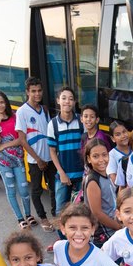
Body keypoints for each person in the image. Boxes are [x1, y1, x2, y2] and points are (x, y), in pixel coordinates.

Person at [0, 89, 35, 230]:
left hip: (18, 160)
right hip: (3, 162)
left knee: (24, 188)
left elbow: (21, 139)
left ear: (6, 103)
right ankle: (20, 218)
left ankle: (28, 214)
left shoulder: (15, 117)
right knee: (11, 189)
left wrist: (4, 146)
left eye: (2, 102)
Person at [15, 76, 55, 232]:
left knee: (53, 188)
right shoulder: (22, 112)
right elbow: (22, 140)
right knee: (37, 190)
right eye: (33, 91)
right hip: (35, 160)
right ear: (27, 92)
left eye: (39, 91)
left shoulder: (44, 109)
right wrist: (38, 159)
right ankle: (43, 217)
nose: (37, 94)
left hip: (50, 158)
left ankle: (54, 215)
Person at [49, 86, 85, 214]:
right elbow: (52, 151)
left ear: (74, 102)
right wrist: (61, 173)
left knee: (81, 209)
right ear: (58, 100)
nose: (67, 101)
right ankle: (61, 234)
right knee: (60, 210)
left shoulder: (82, 121)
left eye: (70, 99)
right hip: (63, 175)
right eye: (64, 98)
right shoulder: (53, 124)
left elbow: (87, 146)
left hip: (81, 174)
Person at [82, 139, 122, 247]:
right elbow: (97, 213)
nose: (101, 160)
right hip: (103, 234)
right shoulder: (93, 180)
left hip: (112, 227)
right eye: (95, 156)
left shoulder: (105, 175)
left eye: (104, 155)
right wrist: (118, 227)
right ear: (88, 159)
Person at [106, 120, 131, 186]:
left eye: (124, 132)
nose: (123, 136)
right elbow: (113, 178)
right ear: (112, 139)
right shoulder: (112, 155)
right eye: (118, 134)